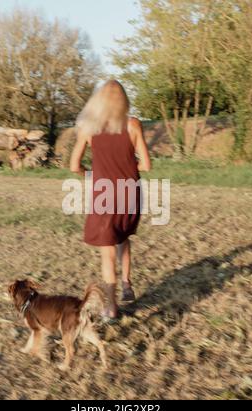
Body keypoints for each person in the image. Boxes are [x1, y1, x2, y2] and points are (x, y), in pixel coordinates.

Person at [70, 80, 151, 320]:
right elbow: (145, 165)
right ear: (124, 101)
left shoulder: (88, 130)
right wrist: (126, 168)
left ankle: (111, 307)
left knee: (107, 253)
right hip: (130, 192)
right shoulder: (133, 125)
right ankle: (127, 283)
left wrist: (91, 174)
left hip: (104, 195)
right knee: (123, 237)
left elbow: (74, 166)